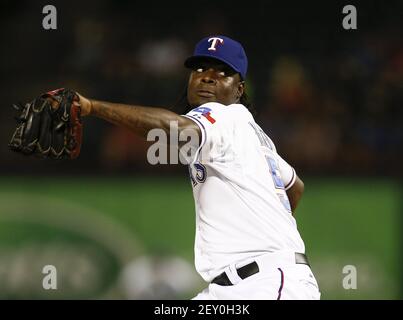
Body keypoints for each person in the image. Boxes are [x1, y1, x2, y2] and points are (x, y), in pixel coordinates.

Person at [77, 35, 321, 300]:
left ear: (239, 89)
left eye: (223, 72)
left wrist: (91, 106)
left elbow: (176, 130)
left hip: (266, 284)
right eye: (200, 69)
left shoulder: (225, 116)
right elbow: (294, 186)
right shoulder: (251, 133)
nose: (207, 77)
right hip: (233, 287)